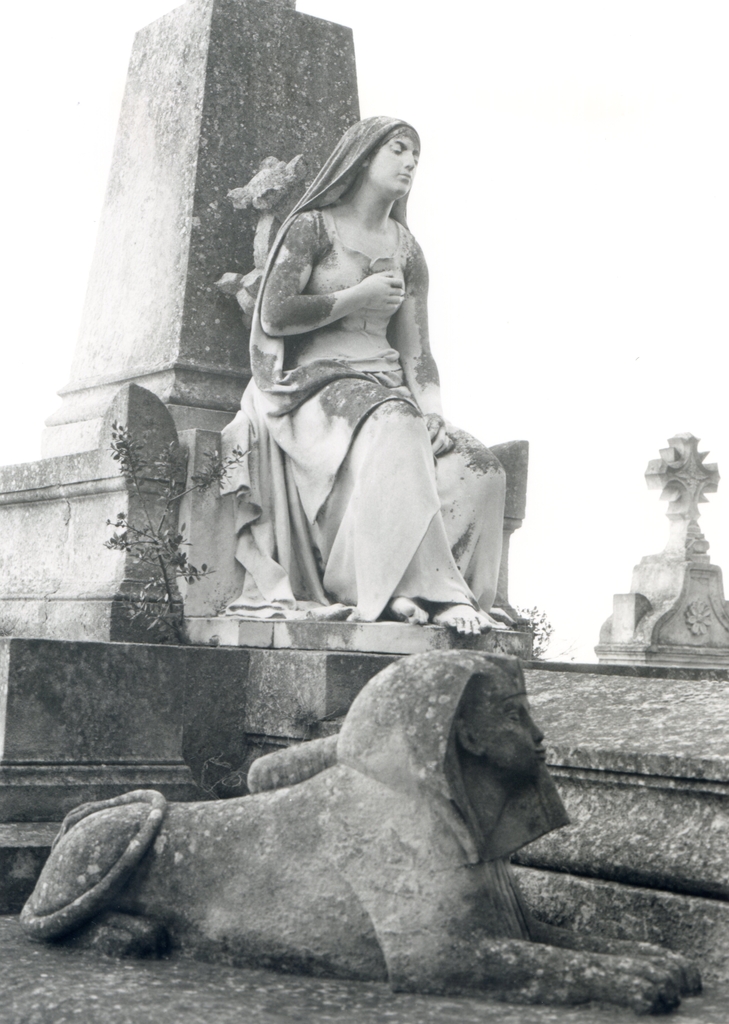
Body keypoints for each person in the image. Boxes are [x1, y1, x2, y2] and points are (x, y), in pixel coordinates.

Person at [220, 116, 506, 634]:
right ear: (363, 157)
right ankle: (399, 590)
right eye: (398, 149)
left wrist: (434, 408)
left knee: (480, 467)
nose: (410, 162)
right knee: (395, 423)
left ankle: (440, 589)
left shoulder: (407, 248)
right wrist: (357, 298)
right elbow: (274, 315)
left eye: (416, 155)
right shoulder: (313, 228)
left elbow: (418, 349)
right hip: (314, 386)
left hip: (386, 388)